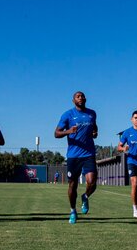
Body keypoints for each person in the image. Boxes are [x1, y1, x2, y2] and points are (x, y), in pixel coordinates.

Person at [54, 91, 98, 224]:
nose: (81, 98)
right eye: (78, 96)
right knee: (73, 185)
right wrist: (69, 131)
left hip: (89, 153)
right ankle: (73, 211)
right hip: (73, 155)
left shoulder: (92, 113)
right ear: (73, 100)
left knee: (92, 181)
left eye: (82, 96)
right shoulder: (67, 115)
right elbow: (56, 133)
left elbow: (94, 127)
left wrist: (95, 132)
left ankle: (85, 196)